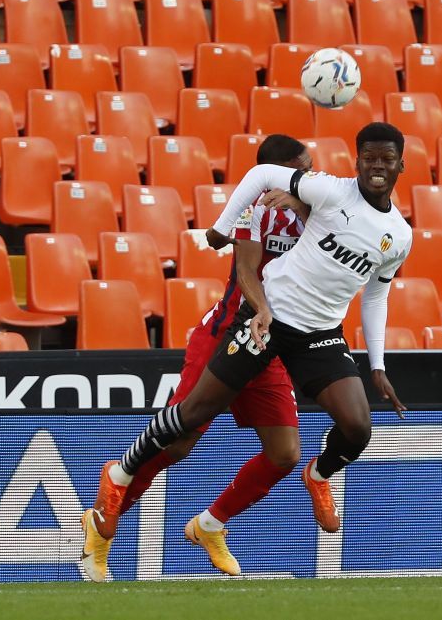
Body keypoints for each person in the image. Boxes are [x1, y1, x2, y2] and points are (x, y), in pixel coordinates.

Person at [87, 121, 411, 579]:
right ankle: (115, 491)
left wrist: (376, 364)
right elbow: (246, 269)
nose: (301, 178)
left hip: (312, 335)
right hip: (250, 324)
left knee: (325, 439)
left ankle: (227, 517)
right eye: (297, 173)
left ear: (401, 164)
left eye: (306, 172)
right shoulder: (269, 208)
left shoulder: (367, 222)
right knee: (185, 431)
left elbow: (376, 292)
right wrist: (222, 231)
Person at [82, 135, 314, 581]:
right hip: (227, 336)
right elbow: (244, 268)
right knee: (178, 443)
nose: (311, 175)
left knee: (285, 454)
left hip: (272, 347)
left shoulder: (318, 213)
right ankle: (101, 528)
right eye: (302, 168)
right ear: (280, 172)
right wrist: (262, 308)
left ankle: (211, 525)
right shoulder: (254, 210)